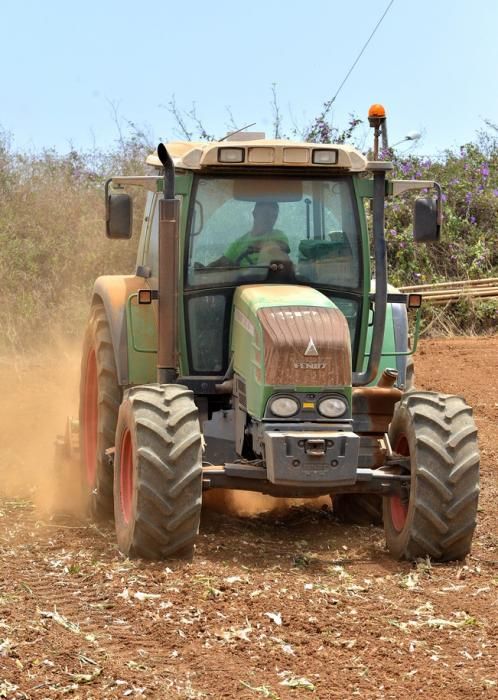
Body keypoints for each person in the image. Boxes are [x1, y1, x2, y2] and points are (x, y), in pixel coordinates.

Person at [210, 200, 290, 267]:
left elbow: (283, 247)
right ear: (254, 214)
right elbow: (223, 261)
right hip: (242, 282)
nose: (270, 219)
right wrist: (204, 268)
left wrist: (262, 245)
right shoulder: (240, 242)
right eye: (266, 214)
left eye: (274, 216)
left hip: (270, 281)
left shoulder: (278, 236)